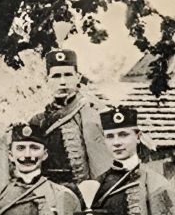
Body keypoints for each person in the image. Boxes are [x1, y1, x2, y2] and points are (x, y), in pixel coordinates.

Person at [29, 49, 113, 186]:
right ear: (46, 80)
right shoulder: (38, 121)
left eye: (68, 75)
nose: (63, 82)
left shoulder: (93, 114)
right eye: (56, 76)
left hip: (86, 190)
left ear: (78, 78)